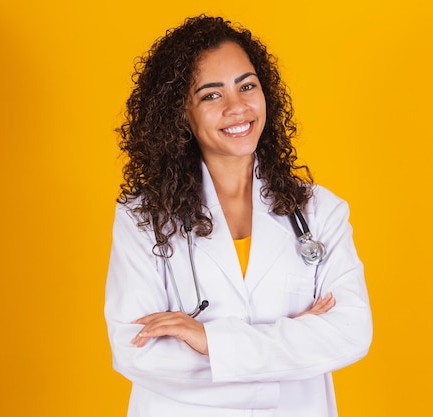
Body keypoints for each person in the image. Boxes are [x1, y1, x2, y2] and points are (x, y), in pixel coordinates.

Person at [104, 14, 372, 417]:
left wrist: (208, 340)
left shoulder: (319, 211)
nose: (237, 107)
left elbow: (351, 332)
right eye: (211, 95)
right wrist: (291, 348)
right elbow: (137, 352)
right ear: (182, 115)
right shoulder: (144, 219)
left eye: (247, 86)